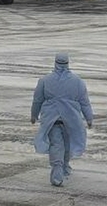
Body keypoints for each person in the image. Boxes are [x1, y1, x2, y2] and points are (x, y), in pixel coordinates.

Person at [31, 53, 93, 187]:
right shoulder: (77, 81)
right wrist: (89, 118)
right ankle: (63, 169)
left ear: (55, 63)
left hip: (52, 120)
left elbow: (37, 100)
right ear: (68, 63)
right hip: (71, 119)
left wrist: (34, 115)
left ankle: (58, 172)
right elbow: (84, 102)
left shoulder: (45, 80)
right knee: (66, 145)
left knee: (57, 146)